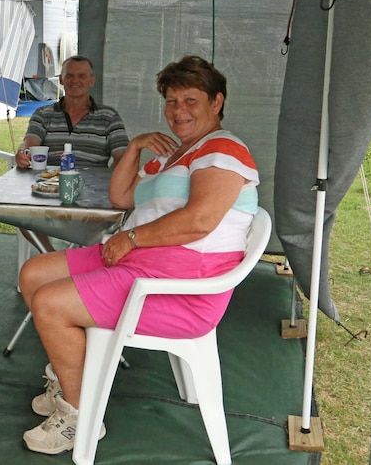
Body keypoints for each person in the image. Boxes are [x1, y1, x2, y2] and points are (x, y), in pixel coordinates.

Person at [18, 55, 260, 455]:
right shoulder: (178, 153)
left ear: (216, 102)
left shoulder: (223, 149)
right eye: (171, 101)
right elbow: (121, 196)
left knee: (49, 302)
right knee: (34, 273)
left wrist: (131, 239)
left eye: (190, 101)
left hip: (179, 286)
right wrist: (135, 146)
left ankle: (81, 416)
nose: (178, 110)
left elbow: (199, 220)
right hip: (145, 263)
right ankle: (69, 377)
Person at [15, 55, 130, 252]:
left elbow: (123, 157)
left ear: (92, 80)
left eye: (82, 75)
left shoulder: (108, 116)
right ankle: (52, 257)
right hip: (49, 189)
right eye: (70, 75)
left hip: (93, 192)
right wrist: (23, 152)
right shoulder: (43, 114)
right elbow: (30, 142)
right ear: (61, 79)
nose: (75, 80)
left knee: (113, 215)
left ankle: (75, 258)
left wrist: (110, 182)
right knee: (20, 211)